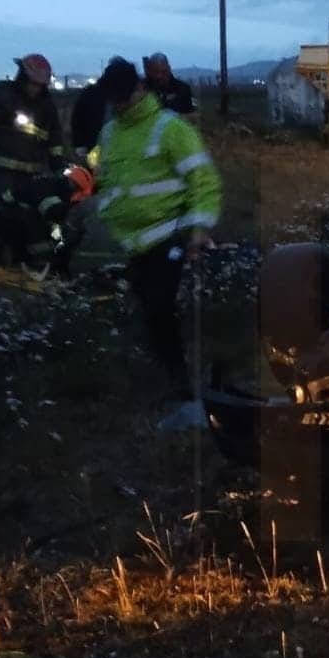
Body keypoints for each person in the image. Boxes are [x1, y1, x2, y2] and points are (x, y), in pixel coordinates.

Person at [95, 58, 222, 428]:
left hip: (170, 236)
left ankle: (186, 392)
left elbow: (204, 180)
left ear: (139, 89)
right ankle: (172, 380)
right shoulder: (109, 133)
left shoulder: (170, 128)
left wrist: (198, 229)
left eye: (124, 97)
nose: (119, 105)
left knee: (159, 310)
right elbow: (108, 179)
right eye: (113, 99)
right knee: (151, 315)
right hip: (131, 243)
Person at [0, 53, 69, 265]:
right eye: (32, 84)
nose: (35, 89)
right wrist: (0, 117)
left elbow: (54, 138)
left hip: (29, 175)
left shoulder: (46, 106)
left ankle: (29, 261)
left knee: (30, 216)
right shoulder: (1, 92)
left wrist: (58, 164)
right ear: (22, 77)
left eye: (40, 85)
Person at [142, 53, 197, 118]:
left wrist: (172, 119)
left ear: (169, 68)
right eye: (155, 72)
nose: (159, 76)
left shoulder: (183, 88)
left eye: (163, 72)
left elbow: (193, 116)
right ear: (149, 71)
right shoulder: (142, 88)